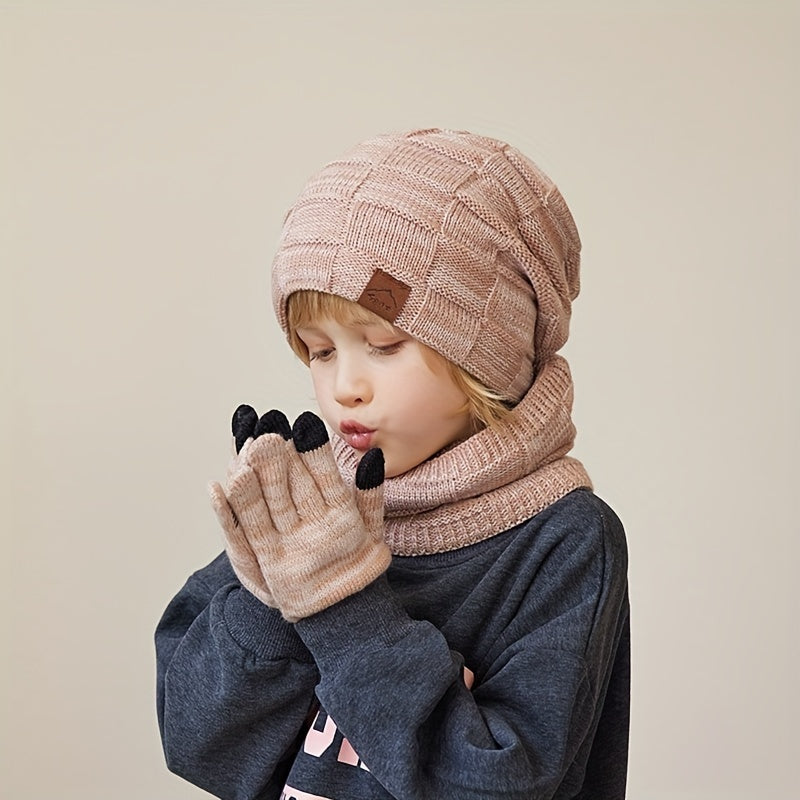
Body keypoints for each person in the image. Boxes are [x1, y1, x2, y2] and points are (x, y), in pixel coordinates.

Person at [155, 128, 630, 800]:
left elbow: (498, 785)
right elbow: (199, 745)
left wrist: (343, 610)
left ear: (484, 350)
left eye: (383, 344)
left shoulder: (562, 541)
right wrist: (272, 597)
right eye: (320, 352)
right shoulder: (312, 513)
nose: (345, 385)